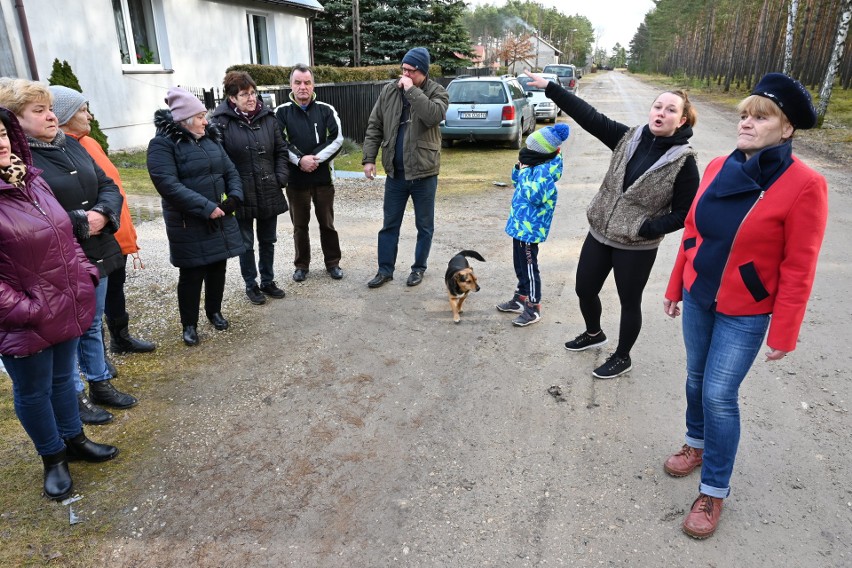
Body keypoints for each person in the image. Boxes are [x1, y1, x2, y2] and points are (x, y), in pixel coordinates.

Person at [662, 73, 827, 539]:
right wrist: (676, 285)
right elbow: (694, 231)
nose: (747, 124)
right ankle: (695, 445)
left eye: (761, 117)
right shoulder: (717, 166)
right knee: (695, 377)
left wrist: (785, 331)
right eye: (744, 116)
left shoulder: (805, 184)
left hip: (746, 309)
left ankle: (713, 490)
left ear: (787, 128)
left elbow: (800, 265)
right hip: (699, 295)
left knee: (718, 393)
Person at [524, 71, 699, 379]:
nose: (662, 112)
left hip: (636, 245)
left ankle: (622, 356)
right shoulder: (627, 138)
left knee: (629, 303)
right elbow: (590, 117)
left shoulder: (684, 162)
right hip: (600, 233)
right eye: (658, 106)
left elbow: (685, 213)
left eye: (671, 110)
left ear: (682, 120)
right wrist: (551, 88)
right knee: (584, 289)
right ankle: (594, 333)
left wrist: (646, 228)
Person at [0, 79, 139, 419]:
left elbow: (107, 183)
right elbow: (33, 213)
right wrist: (80, 221)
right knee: (69, 331)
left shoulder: (70, 143)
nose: (51, 117)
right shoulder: (21, 161)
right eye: (40, 111)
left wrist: (103, 213)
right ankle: (74, 398)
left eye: (50, 109)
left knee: (91, 324)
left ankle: (99, 381)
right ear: (16, 119)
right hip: (53, 261)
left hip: (96, 249)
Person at [0, 107, 118, 501]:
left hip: (64, 302)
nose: (1, 142)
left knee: (63, 381)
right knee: (34, 391)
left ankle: (75, 440)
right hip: (25, 318)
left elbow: (65, 236)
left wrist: (85, 275)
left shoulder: (29, 179)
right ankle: (53, 458)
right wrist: (28, 310)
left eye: (2, 133)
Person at [49, 86, 156, 367]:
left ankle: (121, 338)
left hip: (112, 234)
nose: (90, 117)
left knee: (116, 289)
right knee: (92, 305)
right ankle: (97, 362)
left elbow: (111, 187)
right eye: (83, 111)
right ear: (65, 116)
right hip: (89, 238)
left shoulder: (88, 144)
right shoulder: (62, 152)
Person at [147, 87, 246, 346]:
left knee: (217, 266)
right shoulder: (162, 144)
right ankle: (189, 325)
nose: (206, 121)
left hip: (219, 217)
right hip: (189, 222)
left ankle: (214, 311)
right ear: (185, 119)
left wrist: (234, 198)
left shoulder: (211, 140)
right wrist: (206, 207)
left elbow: (231, 171)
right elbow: (167, 184)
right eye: (201, 116)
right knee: (192, 274)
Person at [362, 47, 449, 288]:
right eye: (403, 69)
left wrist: (411, 91)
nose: (405, 74)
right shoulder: (389, 91)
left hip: (424, 173)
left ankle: (418, 268)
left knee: (424, 226)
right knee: (389, 224)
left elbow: (433, 115)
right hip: (396, 173)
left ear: (423, 72)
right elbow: (374, 126)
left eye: (411, 71)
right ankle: (385, 270)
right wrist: (369, 158)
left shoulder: (437, 92)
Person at [210, 72, 289, 305]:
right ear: (232, 98)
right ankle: (251, 284)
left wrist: (280, 177)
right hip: (241, 193)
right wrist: (232, 191)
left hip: (269, 188)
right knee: (245, 243)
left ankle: (268, 280)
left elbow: (281, 151)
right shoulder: (220, 123)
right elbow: (219, 161)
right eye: (244, 94)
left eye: (253, 93)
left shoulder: (268, 118)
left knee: (268, 239)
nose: (251, 98)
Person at [275, 63, 345, 282]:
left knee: (327, 224)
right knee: (299, 226)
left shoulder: (326, 109)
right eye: (298, 83)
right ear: (291, 85)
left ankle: (333, 263)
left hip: (323, 179)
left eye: (307, 82)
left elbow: (337, 139)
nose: (302, 87)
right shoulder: (281, 112)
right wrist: (299, 160)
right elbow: (279, 141)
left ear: (313, 84)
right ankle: (301, 265)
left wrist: (314, 160)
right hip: (296, 182)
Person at [497, 123, 570, 326]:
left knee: (530, 267)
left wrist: (524, 172)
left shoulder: (545, 171)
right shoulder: (532, 163)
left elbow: (535, 196)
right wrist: (518, 169)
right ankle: (521, 297)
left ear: (541, 151)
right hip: (519, 224)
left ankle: (534, 307)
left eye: (530, 147)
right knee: (519, 264)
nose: (526, 150)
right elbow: (516, 183)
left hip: (530, 229)